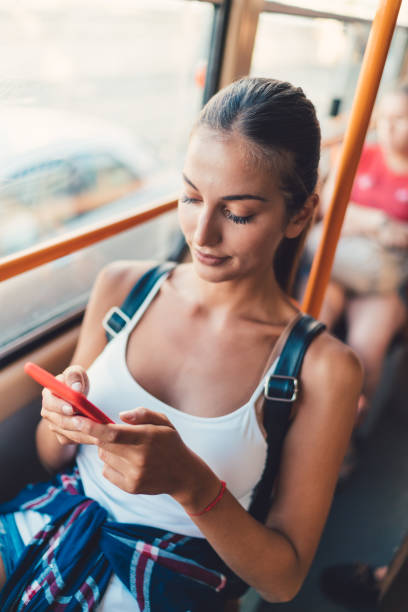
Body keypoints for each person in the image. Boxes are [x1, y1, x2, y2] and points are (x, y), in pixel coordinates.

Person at [0, 77, 362, 610]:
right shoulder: (122, 287)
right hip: (53, 523)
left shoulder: (322, 368)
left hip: (173, 580)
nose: (202, 234)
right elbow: (51, 455)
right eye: (191, 197)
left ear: (301, 214)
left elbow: (282, 580)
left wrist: (193, 486)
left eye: (237, 213)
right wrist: (61, 419)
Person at [305, 83, 408, 443]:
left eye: (401, 119)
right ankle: (300, 416)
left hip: (383, 282)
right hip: (339, 265)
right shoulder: (363, 155)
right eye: (387, 118)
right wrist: (381, 224)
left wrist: (358, 220)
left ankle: (345, 438)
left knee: (366, 348)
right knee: (313, 323)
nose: (390, 126)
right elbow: (331, 206)